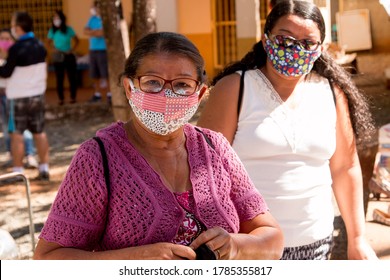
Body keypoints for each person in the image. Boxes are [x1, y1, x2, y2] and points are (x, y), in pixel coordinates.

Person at [33, 32, 284, 260]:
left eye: (182, 84)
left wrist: (236, 245)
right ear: (129, 88)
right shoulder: (98, 158)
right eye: (152, 82)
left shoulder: (215, 147)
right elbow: (48, 260)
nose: (167, 95)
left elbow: (272, 238)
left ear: (200, 93)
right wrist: (135, 260)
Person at [197, 0, 377, 260]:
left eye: (307, 43)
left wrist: (358, 239)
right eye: (285, 39)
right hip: (249, 249)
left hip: (317, 246)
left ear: (321, 49)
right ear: (266, 39)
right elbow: (204, 169)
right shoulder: (235, 88)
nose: (295, 49)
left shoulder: (331, 93)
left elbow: (345, 167)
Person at [0, 11, 50, 181]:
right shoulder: (40, 45)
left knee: (17, 135)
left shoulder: (16, 49)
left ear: (19, 27)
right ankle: (44, 168)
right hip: (37, 95)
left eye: (13, 24)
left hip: (18, 97)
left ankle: (17, 170)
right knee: (40, 132)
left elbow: (6, 72)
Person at [0, 28, 38, 170]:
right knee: (6, 128)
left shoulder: (17, 55)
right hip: (1, 96)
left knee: (22, 128)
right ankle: (13, 155)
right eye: (1, 38)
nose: (4, 41)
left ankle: (29, 155)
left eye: (7, 38)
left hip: (16, 96)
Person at [47, 10, 79, 105]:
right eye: (54, 18)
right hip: (58, 56)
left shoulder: (69, 29)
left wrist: (72, 49)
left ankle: (73, 97)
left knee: (72, 78)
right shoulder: (52, 30)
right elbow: (48, 42)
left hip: (68, 55)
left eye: (57, 18)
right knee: (59, 78)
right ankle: (61, 98)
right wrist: (53, 49)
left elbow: (76, 40)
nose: (56, 20)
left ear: (62, 19)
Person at [84, 0, 111, 104]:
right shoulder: (92, 19)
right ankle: (97, 94)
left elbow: (101, 33)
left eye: (94, 7)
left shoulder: (106, 19)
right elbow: (85, 31)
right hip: (92, 50)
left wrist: (92, 32)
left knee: (105, 73)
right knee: (94, 73)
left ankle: (109, 94)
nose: (93, 9)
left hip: (103, 50)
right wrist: (94, 32)